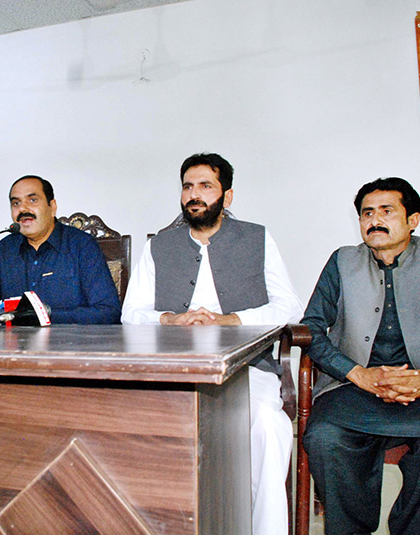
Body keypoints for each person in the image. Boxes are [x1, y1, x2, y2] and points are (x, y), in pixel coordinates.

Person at [121, 153, 303, 535]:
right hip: (173, 369)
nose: (194, 195)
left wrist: (231, 320)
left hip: (247, 368)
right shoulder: (160, 245)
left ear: (228, 196)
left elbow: (289, 307)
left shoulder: (257, 237)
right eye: (188, 186)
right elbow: (131, 313)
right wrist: (168, 319)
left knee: (270, 428)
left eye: (205, 186)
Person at [301, 177, 420, 535]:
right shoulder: (342, 261)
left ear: (413, 219)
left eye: (387, 211)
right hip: (355, 388)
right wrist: (356, 373)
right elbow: (310, 329)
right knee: (325, 438)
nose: (375, 219)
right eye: (367, 212)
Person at [0, 175, 121, 324]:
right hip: (14, 351)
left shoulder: (81, 245)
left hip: (69, 348)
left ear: (52, 207)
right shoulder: (6, 249)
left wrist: (47, 314)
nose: (23, 209)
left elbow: (108, 312)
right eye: (16, 203)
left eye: (33, 200)